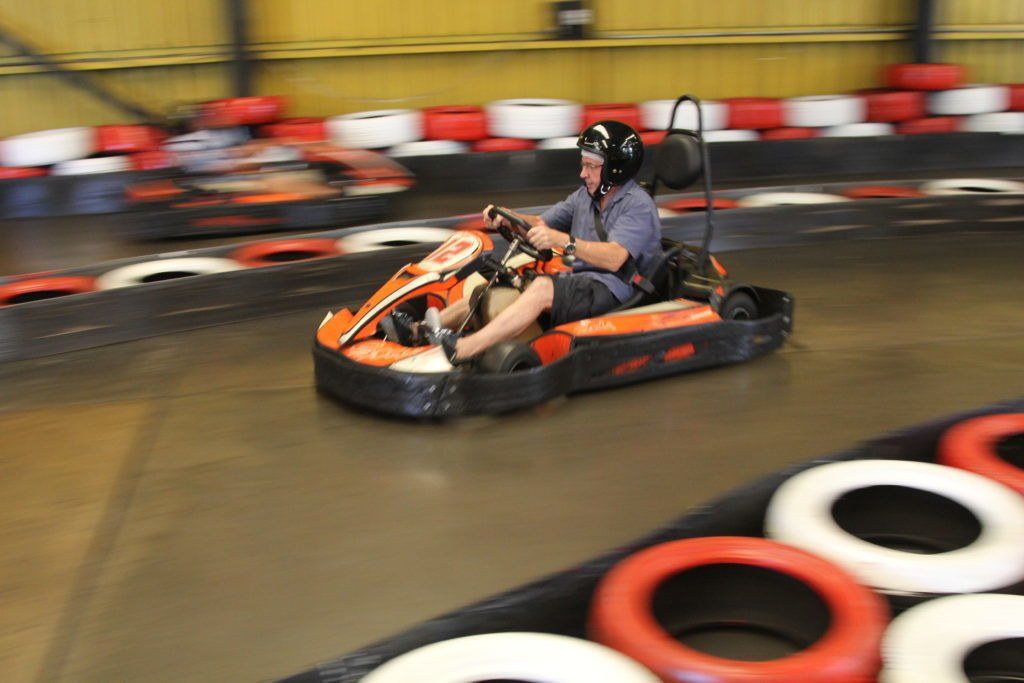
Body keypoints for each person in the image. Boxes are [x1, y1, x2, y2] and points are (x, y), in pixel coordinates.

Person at [382, 119, 662, 363]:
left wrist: (564, 241)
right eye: (583, 164)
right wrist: (508, 217)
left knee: (541, 287)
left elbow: (615, 258)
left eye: (591, 166)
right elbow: (540, 224)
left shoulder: (636, 205)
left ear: (615, 169)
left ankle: (464, 349)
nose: (583, 173)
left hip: (614, 290)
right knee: (496, 284)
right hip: (582, 281)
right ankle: (420, 331)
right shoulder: (583, 197)